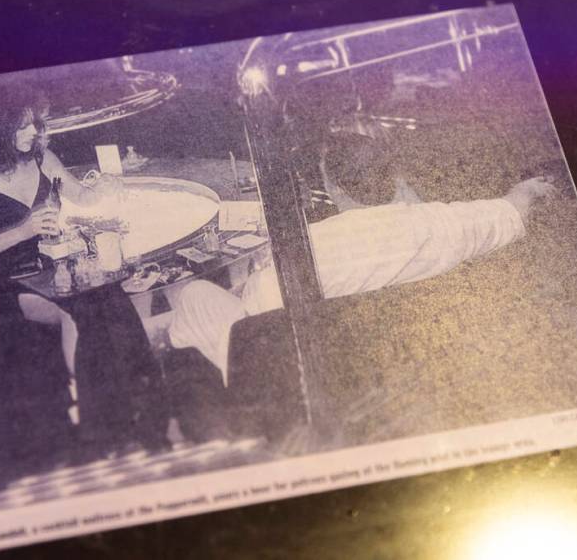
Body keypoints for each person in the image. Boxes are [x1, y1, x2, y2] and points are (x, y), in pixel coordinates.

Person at [167, 143, 557, 384]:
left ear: (332, 185)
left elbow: (259, 323)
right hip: (390, 353)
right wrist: (526, 189)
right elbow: (512, 211)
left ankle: (175, 353)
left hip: (296, 364)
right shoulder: (444, 223)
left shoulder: (305, 251)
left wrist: (247, 280)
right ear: (393, 178)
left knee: (195, 294)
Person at [0, 99, 168, 457]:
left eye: (35, 124)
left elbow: (82, 195)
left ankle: (148, 416)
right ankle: (99, 428)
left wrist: (107, 185)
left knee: (115, 302)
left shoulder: (40, 158)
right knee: (76, 313)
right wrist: (23, 229)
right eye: (22, 126)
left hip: (57, 267)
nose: (33, 133)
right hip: (14, 283)